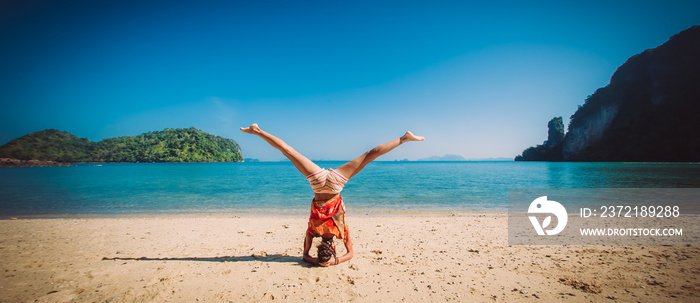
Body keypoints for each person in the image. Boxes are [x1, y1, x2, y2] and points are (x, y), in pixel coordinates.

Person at [240, 123, 424, 267]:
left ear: (334, 248)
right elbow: (305, 256)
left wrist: (335, 261)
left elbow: (350, 254)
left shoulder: (340, 231)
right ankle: (257, 130)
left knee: (369, 155)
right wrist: (315, 260)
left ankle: (404, 138)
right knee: (289, 151)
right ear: (319, 247)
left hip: (336, 184)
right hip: (318, 183)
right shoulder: (313, 231)